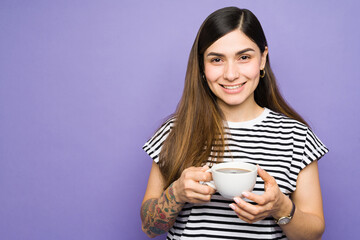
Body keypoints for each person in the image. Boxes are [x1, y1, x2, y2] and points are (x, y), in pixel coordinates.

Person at [140, 6, 328, 240]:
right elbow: (149, 228)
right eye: (217, 59)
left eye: (244, 57)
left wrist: (281, 207)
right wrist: (176, 194)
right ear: (202, 65)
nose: (231, 74)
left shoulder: (297, 138)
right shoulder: (175, 132)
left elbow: (313, 235)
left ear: (262, 59)